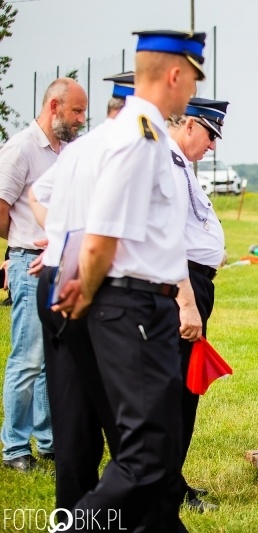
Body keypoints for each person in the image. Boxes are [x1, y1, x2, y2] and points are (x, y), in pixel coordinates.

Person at [51, 29, 205, 532]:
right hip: (132, 305)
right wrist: (87, 287)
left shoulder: (140, 131)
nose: (191, 92)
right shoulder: (142, 133)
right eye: (193, 79)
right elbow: (102, 234)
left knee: (151, 454)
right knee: (144, 455)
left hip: (137, 302)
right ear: (176, 74)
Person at [28, 72, 130, 511]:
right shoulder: (129, 150)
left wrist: (57, 241)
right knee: (130, 426)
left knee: (73, 413)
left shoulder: (80, 148)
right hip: (95, 284)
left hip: (60, 274)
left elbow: (39, 192)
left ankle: (71, 511)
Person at [0, 76, 87, 472]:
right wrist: (24, 239)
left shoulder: (68, 151)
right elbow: (2, 210)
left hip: (58, 265)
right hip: (27, 264)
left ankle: (50, 440)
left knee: (54, 357)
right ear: (54, 107)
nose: (81, 119)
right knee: (28, 358)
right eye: (76, 111)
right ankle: (15, 446)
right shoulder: (20, 149)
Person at [167, 96, 228, 512]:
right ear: (190, 124)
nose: (212, 147)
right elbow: (168, 239)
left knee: (184, 391)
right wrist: (186, 303)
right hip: (182, 284)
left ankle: (173, 478)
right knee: (176, 392)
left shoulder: (181, 165)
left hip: (195, 281)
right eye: (209, 135)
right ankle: (167, 487)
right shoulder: (169, 163)